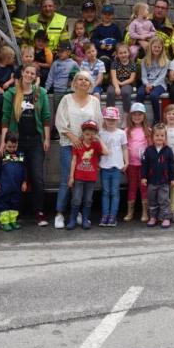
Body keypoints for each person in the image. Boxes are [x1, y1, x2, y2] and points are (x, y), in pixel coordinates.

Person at [0, 63, 51, 225]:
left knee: (37, 177)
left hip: (35, 141)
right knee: (14, 177)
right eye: (27, 72)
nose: (29, 75)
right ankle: (16, 211)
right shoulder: (11, 93)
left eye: (32, 73)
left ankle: (39, 211)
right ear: (22, 73)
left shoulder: (40, 93)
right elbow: (5, 119)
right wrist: (3, 143)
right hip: (17, 142)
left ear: (36, 76)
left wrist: (46, 139)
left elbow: (46, 117)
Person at [54, 71, 103, 229]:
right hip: (69, 144)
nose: (83, 82)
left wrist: (89, 141)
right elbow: (59, 121)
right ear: (74, 83)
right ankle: (59, 213)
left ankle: (77, 214)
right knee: (68, 178)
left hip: (87, 148)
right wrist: (73, 137)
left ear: (90, 84)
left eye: (86, 80)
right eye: (79, 79)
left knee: (82, 180)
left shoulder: (94, 101)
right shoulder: (66, 99)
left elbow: (99, 123)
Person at [67, 120, 107, 230]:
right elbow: (74, 161)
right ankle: (72, 220)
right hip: (78, 177)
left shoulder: (96, 145)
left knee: (88, 200)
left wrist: (99, 139)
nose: (89, 136)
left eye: (92, 134)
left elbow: (106, 152)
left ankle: (85, 219)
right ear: (83, 133)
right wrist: (71, 177)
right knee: (76, 199)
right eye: (87, 134)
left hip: (91, 178)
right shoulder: (78, 145)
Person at [141, 124, 174, 228]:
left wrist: (173, 178)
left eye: (162, 135)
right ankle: (153, 217)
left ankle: (166, 218)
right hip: (152, 181)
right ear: (152, 137)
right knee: (152, 200)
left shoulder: (168, 150)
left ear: (165, 137)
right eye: (157, 135)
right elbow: (144, 165)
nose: (159, 138)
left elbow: (172, 166)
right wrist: (143, 177)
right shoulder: (148, 150)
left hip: (164, 181)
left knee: (164, 200)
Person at [98, 106, 128, 227]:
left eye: (113, 119)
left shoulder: (121, 133)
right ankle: (105, 215)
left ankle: (113, 216)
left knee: (115, 192)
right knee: (105, 191)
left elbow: (125, 148)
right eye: (108, 119)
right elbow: (97, 150)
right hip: (104, 166)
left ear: (118, 120)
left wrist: (127, 162)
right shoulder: (100, 133)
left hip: (116, 166)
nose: (111, 121)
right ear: (104, 119)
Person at [123, 103, 151, 222]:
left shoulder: (148, 130)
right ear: (130, 116)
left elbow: (150, 148)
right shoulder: (127, 130)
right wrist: (125, 163)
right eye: (134, 114)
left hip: (144, 166)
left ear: (144, 116)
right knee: (132, 187)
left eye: (140, 114)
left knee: (144, 187)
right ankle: (130, 211)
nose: (137, 117)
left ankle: (145, 212)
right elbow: (124, 147)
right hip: (131, 165)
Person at [0, 133, 27, 231]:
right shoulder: (3, 155)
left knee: (15, 202)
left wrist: (25, 181)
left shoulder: (20, 155)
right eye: (9, 146)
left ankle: (13, 220)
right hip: (5, 185)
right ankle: (5, 222)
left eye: (14, 146)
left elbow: (24, 169)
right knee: (3, 202)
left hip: (17, 185)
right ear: (5, 144)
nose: (12, 148)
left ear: (17, 144)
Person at [138, 37, 169, 123]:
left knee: (154, 95)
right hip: (146, 83)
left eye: (159, 47)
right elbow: (143, 76)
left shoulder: (166, 61)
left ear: (162, 48)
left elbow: (162, 77)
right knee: (140, 94)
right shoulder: (144, 61)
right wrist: (147, 84)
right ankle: (140, 119)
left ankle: (156, 120)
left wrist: (152, 85)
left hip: (159, 84)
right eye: (155, 47)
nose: (157, 49)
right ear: (150, 47)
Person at [47, 41, 78, 114]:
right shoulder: (55, 63)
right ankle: (57, 125)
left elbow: (78, 76)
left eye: (62, 51)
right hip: (57, 92)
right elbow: (50, 77)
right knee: (58, 111)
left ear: (69, 52)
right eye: (58, 51)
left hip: (70, 92)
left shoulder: (74, 64)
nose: (59, 53)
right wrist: (46, 89)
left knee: (70, 111)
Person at [107, 44, 139, 115]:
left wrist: (121, 84)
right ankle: (110, 113)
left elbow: (131, 79)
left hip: (127, 83)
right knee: (110, 92)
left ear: (129, 53)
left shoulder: (132, 64)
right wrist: (117, 87)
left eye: (125, 52)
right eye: (120, 53)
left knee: (126, 92)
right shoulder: (114, 63)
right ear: (117, 54)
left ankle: (126, 114)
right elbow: (113, 77)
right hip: (115, 82)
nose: (123, 55)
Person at [0, 45, 17, 113]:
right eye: (12, 58)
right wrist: (0, 89)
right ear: (7, 58)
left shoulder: (11, 67)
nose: (14, 60)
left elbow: (13, 78)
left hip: (9, 88)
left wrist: (8, 83)